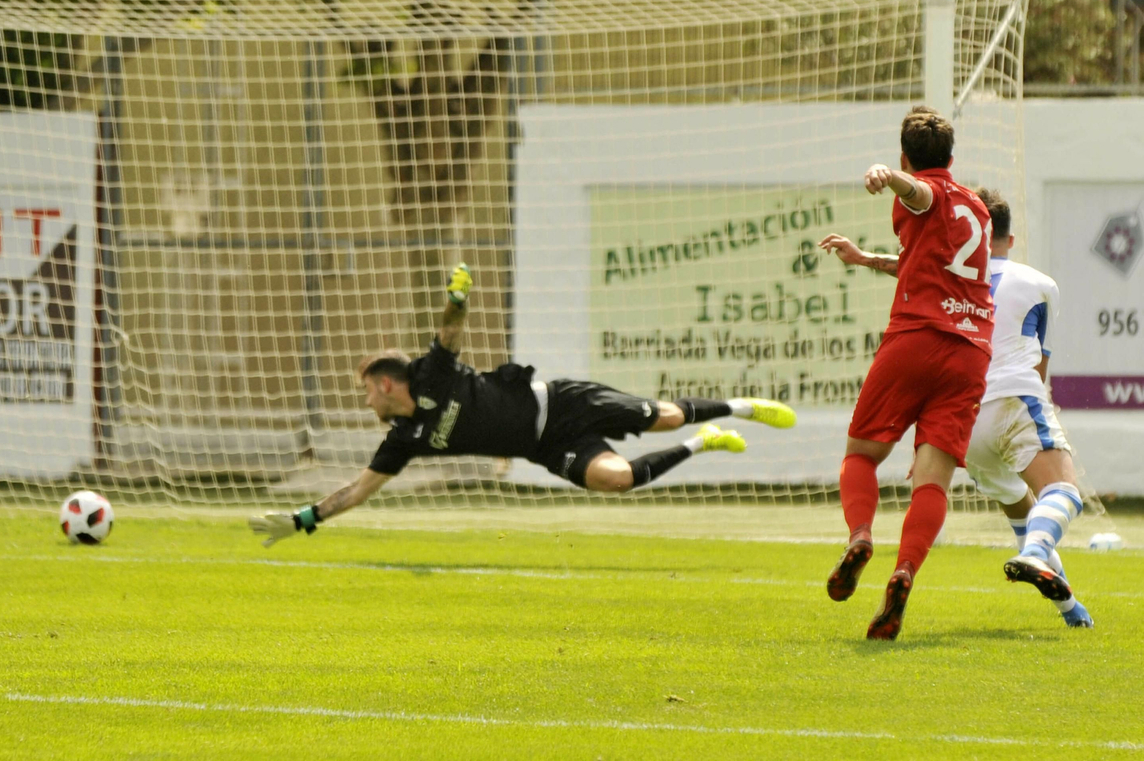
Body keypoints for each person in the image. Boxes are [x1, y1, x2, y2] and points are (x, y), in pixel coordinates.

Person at [249, 262, 798, 547]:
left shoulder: (429, 374)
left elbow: (450, 330)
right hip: (546, 446)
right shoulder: (402, 440)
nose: (365, 399)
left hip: (562, 403)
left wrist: (457, 297)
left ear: (389, 384)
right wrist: (302, 520)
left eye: (368, 388)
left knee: (664, 417)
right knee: (618, 481)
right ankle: (705, 444)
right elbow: (356, 491)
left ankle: (738, 408)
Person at [822, 188, 1092, 627]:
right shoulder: (1042, 284)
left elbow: (906, 268)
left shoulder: (954, 275)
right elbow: (1038, 365)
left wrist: (863, 257)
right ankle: (1037, 553)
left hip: (968, 418)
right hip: (1013, 396)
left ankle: (1072, 611)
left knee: (1019, 505)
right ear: (1010, 235)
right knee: (1062, 491)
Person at [814, 105, 994, 640]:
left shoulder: (926, 191)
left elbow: (922, 195)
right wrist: (865, 258)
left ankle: (861, 536)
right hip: (970, 354)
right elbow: (923, 259)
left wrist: (887, 177)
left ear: (906, 157)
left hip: (917, 338)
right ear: (953, 156)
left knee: (861, 454)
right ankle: (904, 572)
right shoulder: (979, 209)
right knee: (932, 479)